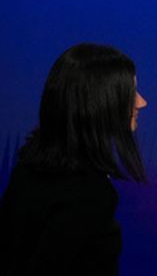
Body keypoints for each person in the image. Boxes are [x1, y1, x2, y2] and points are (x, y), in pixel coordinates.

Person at [0, 43, 148, 276]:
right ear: (100, 104)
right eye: (130, 92)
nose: (141, 102)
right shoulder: (91, 197)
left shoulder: (26, 173)